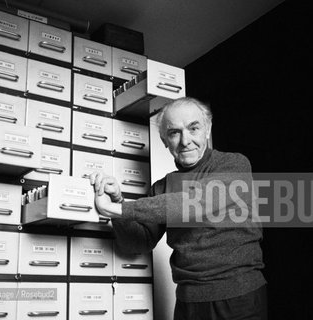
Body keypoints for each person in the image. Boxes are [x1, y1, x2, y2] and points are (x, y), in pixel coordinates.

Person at [90, 97, 267, 320]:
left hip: (240, 298)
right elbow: (137, 243)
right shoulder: (162, 188)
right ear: (165, 141)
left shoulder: (234, 164)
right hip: (187, 303)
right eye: (174, 133)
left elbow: (195, 202)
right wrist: (116, 201)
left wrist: (121, 209)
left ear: (208, 129)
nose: (185, 141)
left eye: (194, 128)